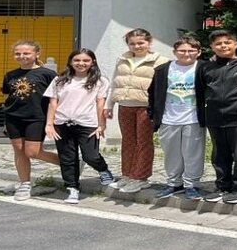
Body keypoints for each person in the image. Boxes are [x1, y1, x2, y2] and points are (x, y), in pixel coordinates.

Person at [43, 49, 116, 204]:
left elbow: (100, 103)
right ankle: (72, 188)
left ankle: (103, 169)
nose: (81, 63)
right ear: (70, 62)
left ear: (92, 62)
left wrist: (101, 124)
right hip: (62, 124)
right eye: (77, 60)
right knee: (67, 158)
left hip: (88, 124)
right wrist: (49, 124)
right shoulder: (60, 80)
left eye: (86, 60)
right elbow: (53, 103)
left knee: (91, 156)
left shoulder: (100, 80)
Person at [196, 29, 237, 205]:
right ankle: (222, 186)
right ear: (212, 47)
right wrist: (203, 116)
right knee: (219, 155)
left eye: (227, 42)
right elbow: (201, 92)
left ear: (235, 44)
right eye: (218, 43)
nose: (223, 46)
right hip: (215, 117)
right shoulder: (205, 67)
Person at [105, 28, 168, 193]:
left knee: (143, 142)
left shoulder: (160, 61)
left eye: (141, 43)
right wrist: (109, 105)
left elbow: (162, 87)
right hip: (125, 105)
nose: (137, 46)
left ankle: (140, 177)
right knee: (127, 141)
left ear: (149, 42)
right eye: (132, 43)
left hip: (145, 106)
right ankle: (127, 175)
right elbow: (115, 82)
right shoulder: (122, 59)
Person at [147, 36, 206, 200]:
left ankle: (191, 185)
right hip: (168, 119)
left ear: (199, 52)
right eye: (182, 50)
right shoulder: (162, 70)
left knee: (193, 154)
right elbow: (152, 93)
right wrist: (153, 114)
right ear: (174, 52)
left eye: (191, 50)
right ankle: (174, 183)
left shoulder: (204, 68)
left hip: (193, 119)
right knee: (171, 154)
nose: (186, 54)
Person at [1, 40, 60, 201]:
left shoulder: (48, 74)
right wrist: (6, 120)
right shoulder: (10, 75)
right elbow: (8, 97)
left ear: (36, 54)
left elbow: (56, 98)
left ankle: (68, 163)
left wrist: (52, 120)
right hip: (13, 117)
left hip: (36, 117)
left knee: (33, 152)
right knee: (19, 150)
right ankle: (25, 184)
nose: (22, 56)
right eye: (18, 53)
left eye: (26, 53)